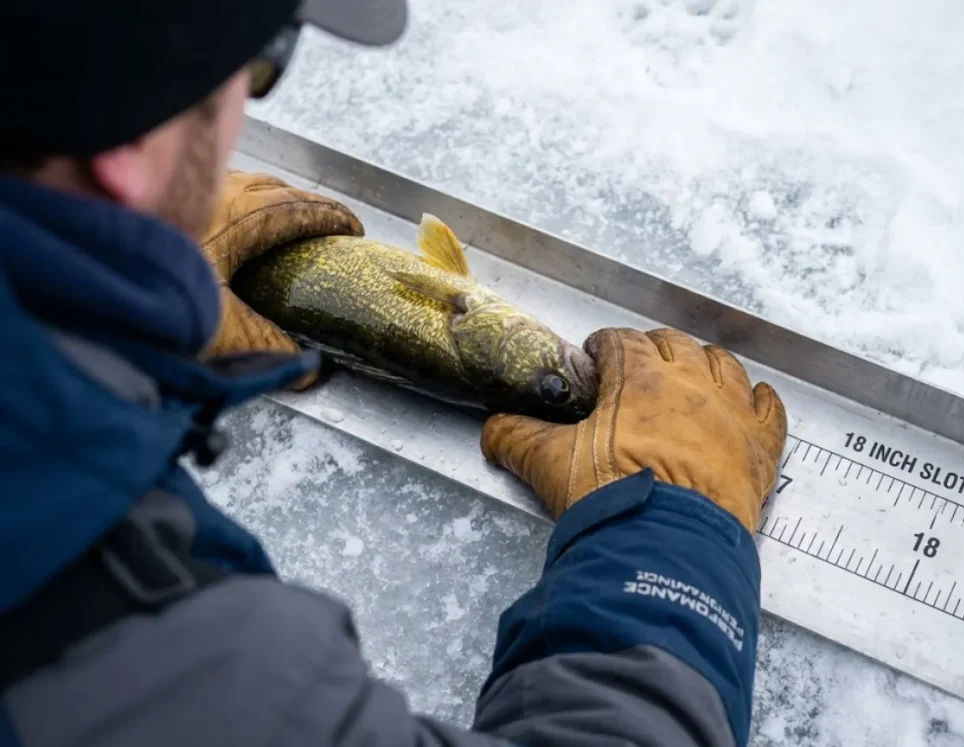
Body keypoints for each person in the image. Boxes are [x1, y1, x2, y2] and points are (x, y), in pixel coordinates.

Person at [0, 0, 787, 745]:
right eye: (261, 62)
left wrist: (91, 263)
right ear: (122, 153)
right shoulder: (132, 631)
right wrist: (674, 542)